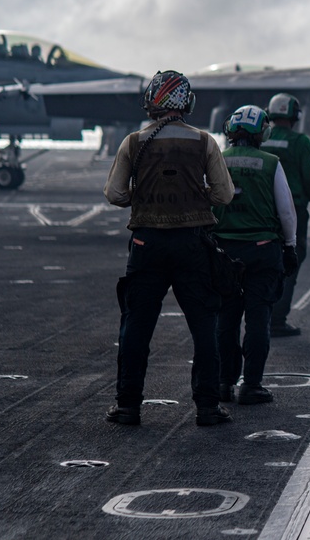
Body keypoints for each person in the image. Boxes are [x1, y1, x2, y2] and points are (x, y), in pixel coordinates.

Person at [103, 70, 235, 426]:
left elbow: (114, 194)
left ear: (152, 101)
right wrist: (197, 197)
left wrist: (142, 198)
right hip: (193, 243)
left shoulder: (133, 141)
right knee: (204, 326)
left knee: (136, 327)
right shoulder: (205, 141)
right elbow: (224, 194)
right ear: (186, 103)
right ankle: (207, 406)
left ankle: (128, 405)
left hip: (147, 242)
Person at [213, 105, 299, 405]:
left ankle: (223, 384)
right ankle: (251, 385)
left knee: (225, 321)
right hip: (263, 251)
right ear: (261, 132)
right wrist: (290, 246)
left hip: (224, 252)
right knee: (258, 320)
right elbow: (286, 211)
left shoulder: (218, 160)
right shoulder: (271, 163)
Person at [261, 93, 310, 337]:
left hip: (264, 209)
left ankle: (261, 313)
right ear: (294, 116)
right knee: (291, 259)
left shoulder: (262, 138)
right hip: (294, 210)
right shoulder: (300, 142)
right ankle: (277, 319)